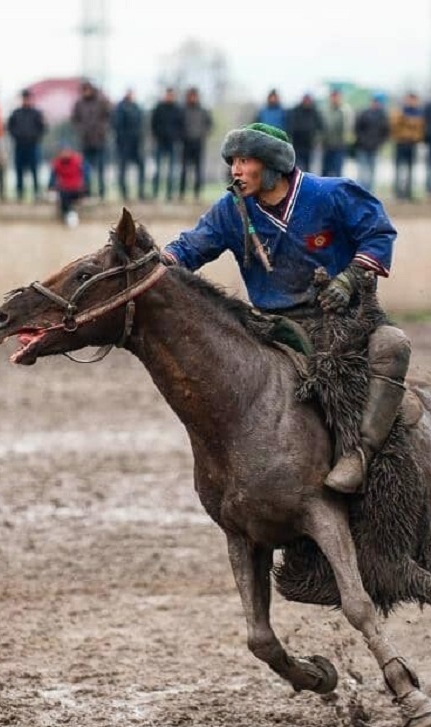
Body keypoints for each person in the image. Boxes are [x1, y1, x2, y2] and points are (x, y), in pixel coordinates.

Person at [159, 123, 409, 494]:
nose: (236, 170)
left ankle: (361, 453)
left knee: (393, 345)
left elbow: (377, 233)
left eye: (245, 160)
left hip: (341, 320)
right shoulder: (231, 211)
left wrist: (349, 279)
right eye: (233, 162)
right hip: (274, 327)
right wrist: (154, 260)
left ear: (273, 165)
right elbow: (189, 248)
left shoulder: (330, 194)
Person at [72, 80, 110, 202]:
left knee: (100, 168)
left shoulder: (101, 102)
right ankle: (87, 192)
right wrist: (81, 130)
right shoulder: (79, 104)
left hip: (99, 140)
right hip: (85, 141)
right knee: (85, 170)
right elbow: (75, 120)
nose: (86, 92)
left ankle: (101, 192)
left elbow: (108, 116)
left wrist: (102, 129)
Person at [8, 88, 47, 202]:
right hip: (19, 146)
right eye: (24, 98)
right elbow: (10, 128)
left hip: (33, 145)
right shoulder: (16, 113)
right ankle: (20, 194)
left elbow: (43, 128)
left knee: (34, 170)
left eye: (28, 98)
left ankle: (36, 193)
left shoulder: (37, 113)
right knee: (19, 171)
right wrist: (17, 136)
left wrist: (35, 137)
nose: (26, 100)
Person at [178, 87, 212, 202]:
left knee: (198, 170)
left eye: (194, 96)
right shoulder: (183, 110)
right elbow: (178, 124)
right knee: (184, 169)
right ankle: (181, 194)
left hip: (198, 143)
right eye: (190, 96)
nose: (193, 98)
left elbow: (209, 124)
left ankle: (196, 194)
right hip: (186, 143)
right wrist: (182, 136)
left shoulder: (203, 110)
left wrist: (203, 134)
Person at [111, 89, 145, 202]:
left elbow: (140, 124)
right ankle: (124, 193)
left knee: (141, 167)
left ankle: (141, 192)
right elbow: (116, 126)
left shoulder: (136, 108)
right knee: (123, 169)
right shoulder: (120, 108)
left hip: (135, 144)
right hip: (124, 144)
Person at [150, 87, 183, 201]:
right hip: (160, 142)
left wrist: (176, 137)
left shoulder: (177, 109)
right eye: (168, 95)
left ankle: (169, 194)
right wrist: (157, 135)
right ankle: (155, 193)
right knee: (158, 170)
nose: (169, 97)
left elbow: (180, 125)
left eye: (171, 95)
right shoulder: (159, 108)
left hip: (172, 143)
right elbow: (153, 124)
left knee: (172, 171)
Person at [353, 94, 390, 192]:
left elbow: (385, 132)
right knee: (362, 172)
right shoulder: (364, 113)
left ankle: (370, 192)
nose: (375, 103)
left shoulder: (383, 116)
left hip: (375, 148)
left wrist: (379, 143)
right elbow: (357, 129)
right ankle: (360, 191)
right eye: (374, 101)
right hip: (362, 147)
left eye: (377, 101)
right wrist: (361, 140)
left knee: (372, 172)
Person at [48, 145, 85, 226]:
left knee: (68, 194)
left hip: (76, 188)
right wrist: (50, 188)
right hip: (64, 189)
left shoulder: (77, 161)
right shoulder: (57, 164)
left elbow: (85, 175)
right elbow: (52, 178)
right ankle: (68, 215)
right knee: (63, 195)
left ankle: (70, 214)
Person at [286, 92, 322, 173]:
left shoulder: (314, 112)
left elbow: (319, 127)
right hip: (297, 144)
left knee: (308, 167)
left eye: (308, 100)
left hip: (309, 145)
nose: (307, 101)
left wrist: (316, 139)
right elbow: (290, 125)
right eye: (305, 99)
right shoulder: (296, 111)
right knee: (296, 167)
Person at [320, 88, 352, 178]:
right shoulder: (325, 111)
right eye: (333, 96)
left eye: (336, 96)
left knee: (338, 172)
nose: (334, 99)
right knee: (325, 171)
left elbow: (349, 128)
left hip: (339, 146)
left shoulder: (345, 110)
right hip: (327, 146)